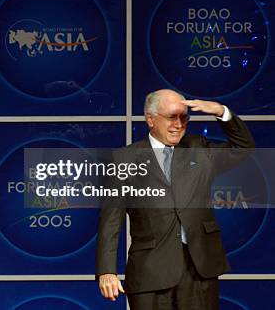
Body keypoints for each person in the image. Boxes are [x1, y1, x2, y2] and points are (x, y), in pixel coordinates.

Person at [96, 89, 254, 309]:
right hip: (150, 272)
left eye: (184, 117)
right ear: (150, 119)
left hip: (199, 270)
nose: (179, 124)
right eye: (171, 117)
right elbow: (110, 220)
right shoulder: (125, 159)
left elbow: (243, 148)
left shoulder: (198, 148)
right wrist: (106, 271)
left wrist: (221, 112)